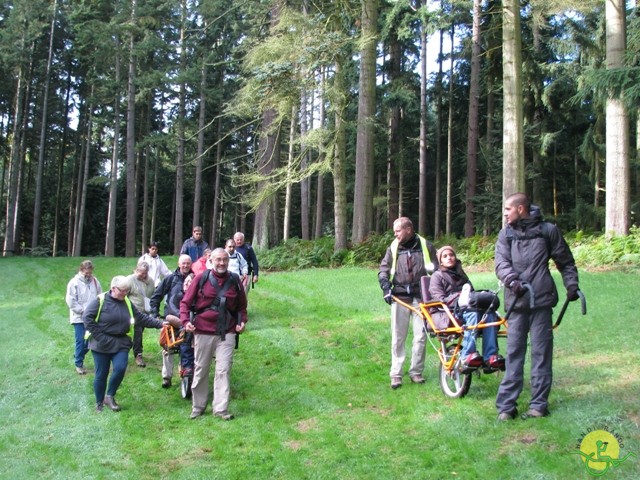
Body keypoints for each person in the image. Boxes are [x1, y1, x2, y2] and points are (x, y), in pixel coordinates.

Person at [494, 193, 580, 421]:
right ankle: (506, 406)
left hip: (541, 301)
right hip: (517, 302)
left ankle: (539, 405)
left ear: (520, 209)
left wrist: (572, 285)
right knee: (514, 353)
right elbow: (501, 263)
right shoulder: (506, 234)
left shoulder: (548, 231)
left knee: (542, 354)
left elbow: (565, 261)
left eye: (507, 209)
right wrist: (513, 281)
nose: (504, 214)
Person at [83, 276, 179, 412]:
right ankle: (99, 402)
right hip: (101, 344)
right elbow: (87, 318)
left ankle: (109, 396)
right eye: (122, 290)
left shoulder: (126, 302)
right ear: (113, 289)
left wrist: (159, 323)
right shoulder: (100, 301)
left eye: (127, 290)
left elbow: (140, 318)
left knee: (121, 368)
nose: (125, 293)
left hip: (121, 342)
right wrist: (101, 337)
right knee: (101, 374)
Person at [181, 248, 247, 420]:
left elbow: (242, 307)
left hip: (227, 332)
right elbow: (185, 303)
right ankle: (198, 406)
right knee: (201, 369)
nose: (222, 263)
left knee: (223, 370)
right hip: (203, 331)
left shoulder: (234, 280)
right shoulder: (200, 279)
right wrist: (186, 322)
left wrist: (242, 322)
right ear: (211, 260)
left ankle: (220, 409)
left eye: (225, 260)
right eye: (218, 259)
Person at [378, 217, 438, 389]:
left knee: (420, 337)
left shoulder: (427, 246)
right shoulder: (393, 247)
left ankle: (416, 372)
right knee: (398, 337)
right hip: (400, 297)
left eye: (398, 230)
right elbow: (383, 269)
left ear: (409, 230)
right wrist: (385, 287)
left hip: (422, 298)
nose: (395, 234)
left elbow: (438, 270)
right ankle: (396, 374)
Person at [428, 245, 504, 371]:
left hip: (467, 308)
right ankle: (467, 355)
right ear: (440, 260)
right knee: (473, 314)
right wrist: (459, 298)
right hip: (450, 312)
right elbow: (439, 298)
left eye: (451, 255)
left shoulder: (461, 275)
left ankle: (490, 356)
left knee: (489, 315)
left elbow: (472, 295)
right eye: (445, 256)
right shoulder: (437, 276)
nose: (449, 258)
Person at [150, 255, 194, 385]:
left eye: (188, 263)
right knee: (168, 346)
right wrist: (154, 313)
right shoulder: (170, 279)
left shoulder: (196, 279)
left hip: (190, 319)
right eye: (183, 263)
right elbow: (156, 297)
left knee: (190, 340)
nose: (185, 266)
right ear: (179, 264)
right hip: (172, 318)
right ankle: (166, 376)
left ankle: (190, 369)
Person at [65, 260, 102, 375]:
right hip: (79, 318)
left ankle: (78, 354)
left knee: (90, 342)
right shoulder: (74, 283)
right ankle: (79, 364)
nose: (89, 275)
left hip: (92, 318)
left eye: (90, 273)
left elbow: (100, 297)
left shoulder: (95, 282)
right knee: (81, 341)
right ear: (81, 270)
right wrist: (82, 311)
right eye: (87, 273)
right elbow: (70, 301)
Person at [162, 273, 195, 389]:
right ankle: (167, 377)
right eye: (185, 282)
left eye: (189, 282)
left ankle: (188, 367)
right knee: (168, 348)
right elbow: (172, 308)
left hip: (192, 327)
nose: (186, 284)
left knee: (189, 333)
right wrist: (184, 319)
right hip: (177, 325)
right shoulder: (177, 296)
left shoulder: (198, 297)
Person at [127, 261, 156, 367]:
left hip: (145, 313)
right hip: (132, 312)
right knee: (135, 332)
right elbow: (123, 296)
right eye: (141, 273)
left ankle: (136, 351)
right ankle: (136, 353)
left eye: (146, 273)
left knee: (139, 333)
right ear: (137, 270)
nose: (143, 275)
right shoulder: (130, 280)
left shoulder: (150, 281)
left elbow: (153, 296)